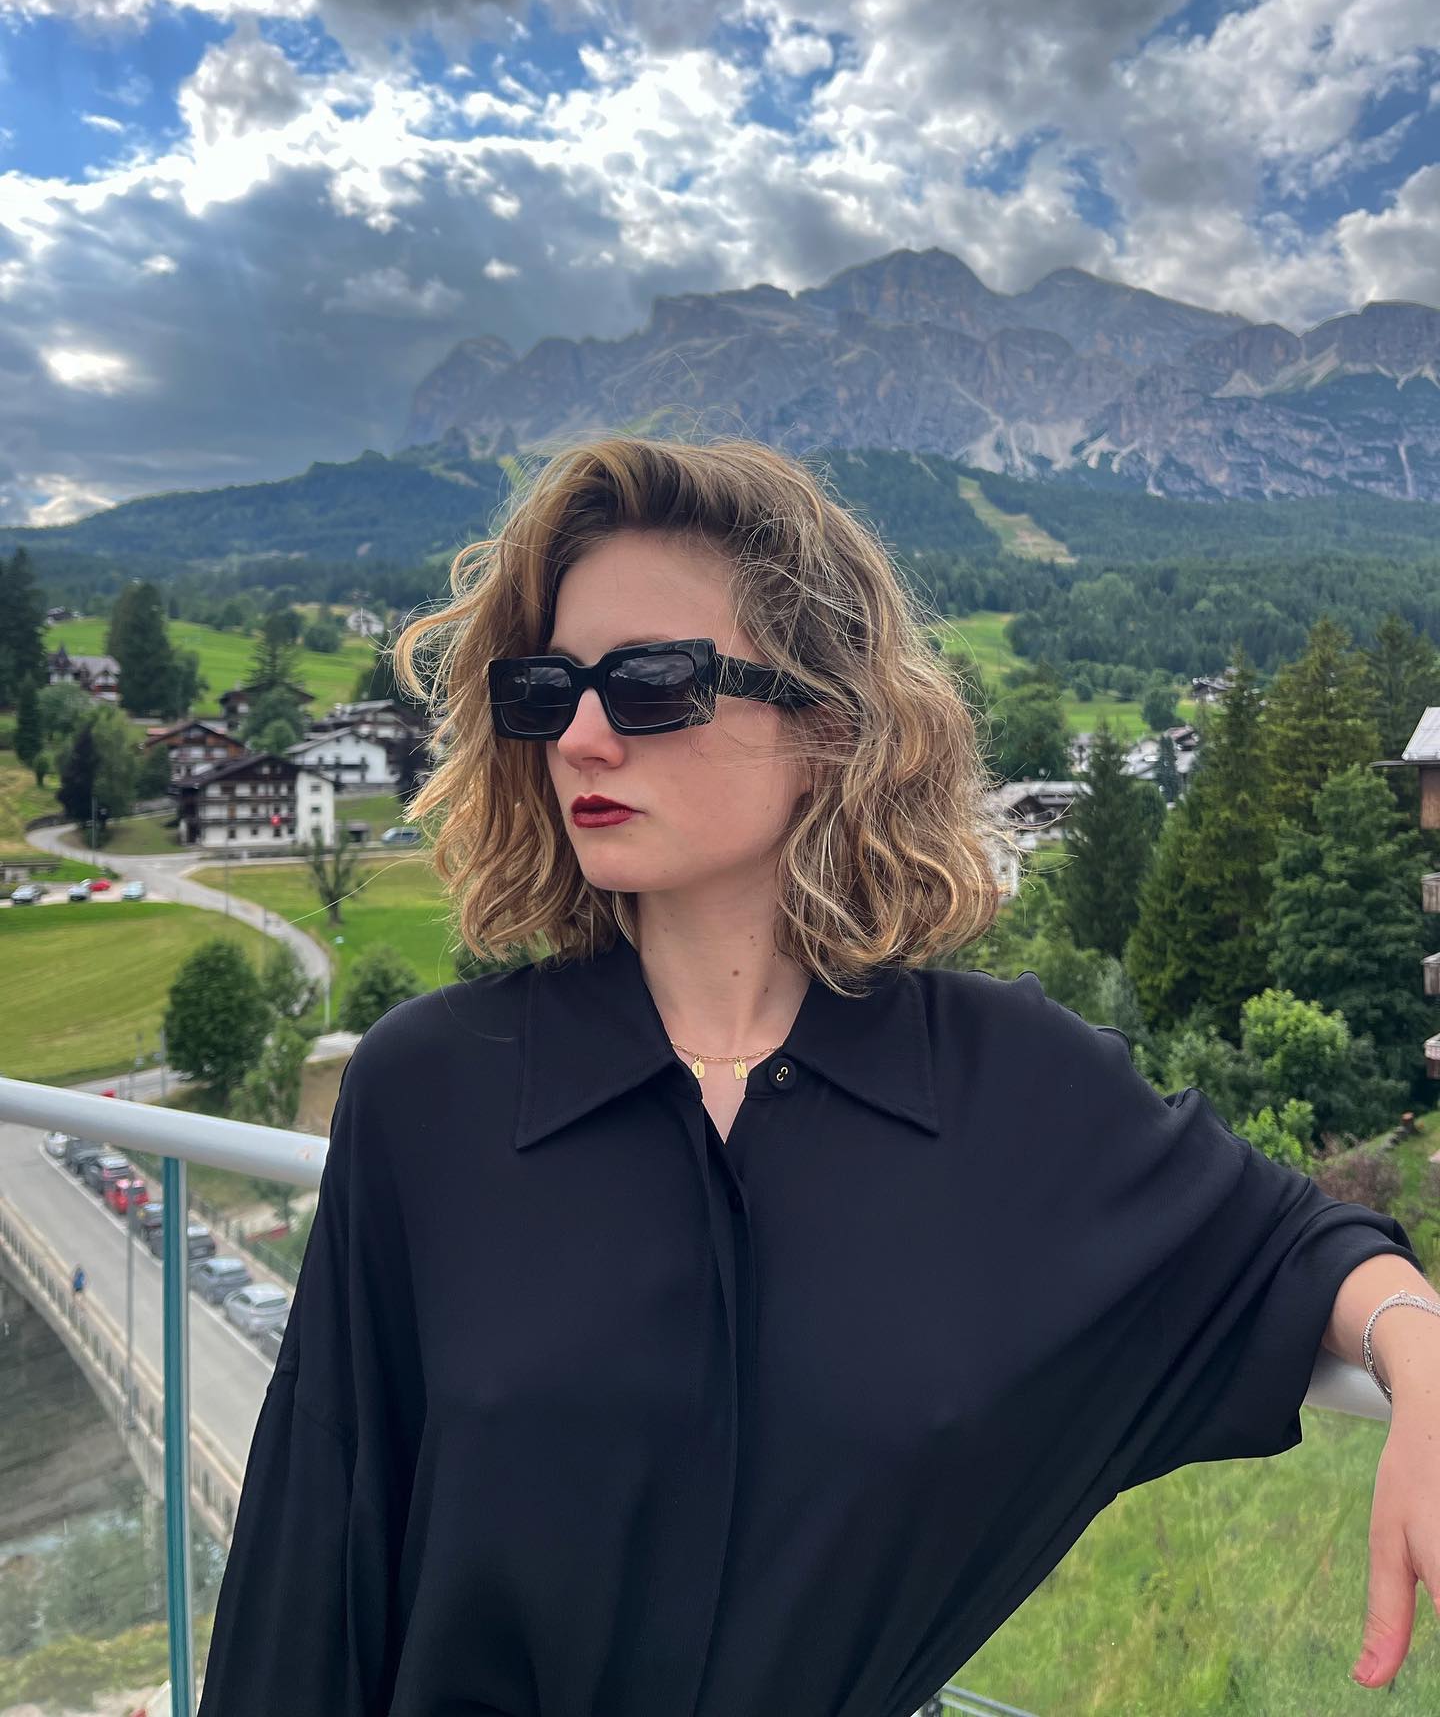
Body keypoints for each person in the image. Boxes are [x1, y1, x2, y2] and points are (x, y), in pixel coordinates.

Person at [196, 435, 1439, 1717]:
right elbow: (307, 1579)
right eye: (548, 688)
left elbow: (1295, 1247)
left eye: (652, 684)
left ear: (830, 726)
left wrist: (1423, 1361)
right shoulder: (430, 1093)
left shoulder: (1004, 1085)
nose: (581, 737)